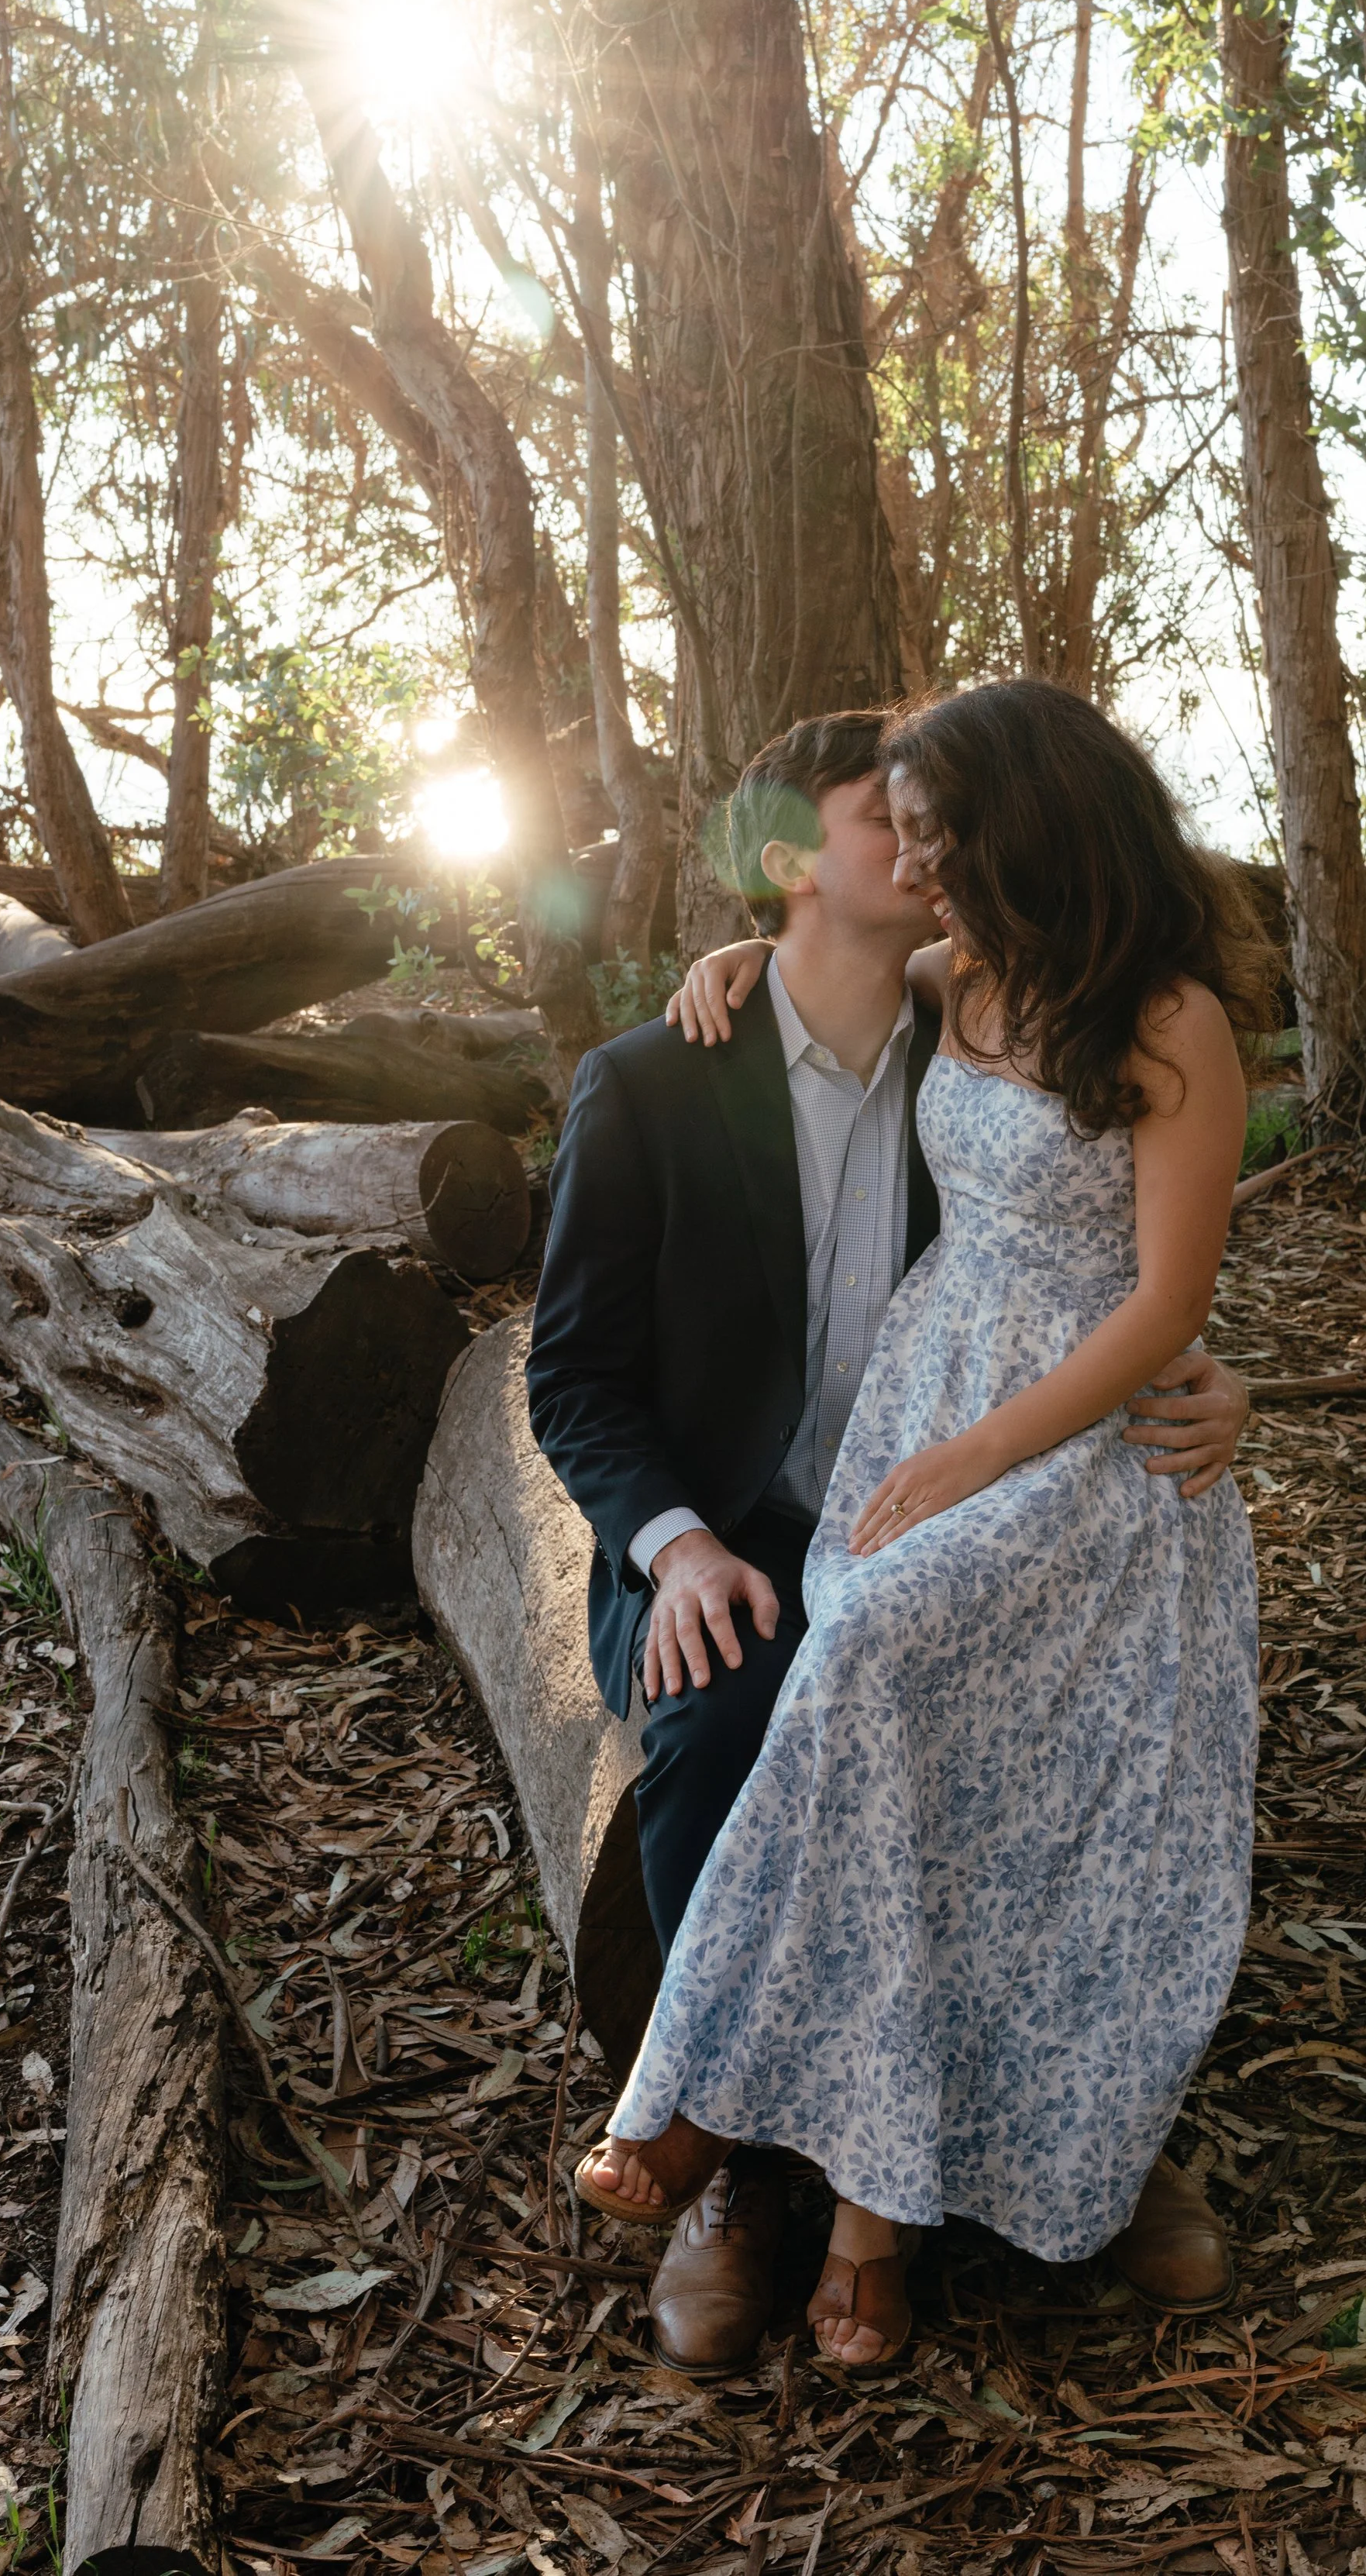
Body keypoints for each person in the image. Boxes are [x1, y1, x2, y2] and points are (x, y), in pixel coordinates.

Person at [526, 705, 1253, 2376]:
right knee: (728, 1713)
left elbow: (1146, 1271)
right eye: (885, 824)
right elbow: (569, 1375)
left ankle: (1044, 2139)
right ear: (793, 870)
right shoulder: (659, 1077)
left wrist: (1222, 1391)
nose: (917, 855)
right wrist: (677, 1545)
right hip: (748, 1516)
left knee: (977, 1712)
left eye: (933, 828)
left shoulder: (977, 1004)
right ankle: (757, 2170)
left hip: (989, 1459)